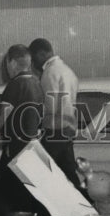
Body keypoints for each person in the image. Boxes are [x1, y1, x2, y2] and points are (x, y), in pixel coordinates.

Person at [0, 44, 67, 216]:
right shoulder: (36, 83)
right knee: (26, 206)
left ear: (11, 62)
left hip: (15, 154)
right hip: (32, 151)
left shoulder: (15, 85)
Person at [28, 37, 82, 191]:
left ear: (40, 54)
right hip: (68, 129)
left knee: (45, 177)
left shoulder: (49, 72)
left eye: (33, 59)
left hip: (55, 131)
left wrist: (37, 123)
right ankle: (87, 206)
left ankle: (47, 214)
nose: (33, 64)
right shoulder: (68, 70)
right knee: (69, 173)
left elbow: (49, 107)